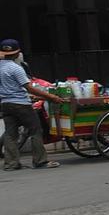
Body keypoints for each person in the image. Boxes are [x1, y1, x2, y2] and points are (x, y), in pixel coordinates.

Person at [1, 39, 64, 170]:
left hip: (5, 104)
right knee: (35, 130)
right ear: (17, 53)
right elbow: (29, 87)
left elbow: (11, 88)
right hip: (21, 105)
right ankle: (40, 161)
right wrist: (51, 96)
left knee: (10, 134)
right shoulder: (16, 68)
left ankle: (11, 164)